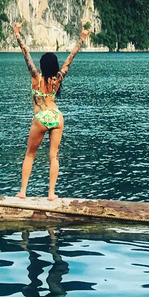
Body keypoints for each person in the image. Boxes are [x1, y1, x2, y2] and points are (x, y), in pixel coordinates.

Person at [13, 20, 91, 201]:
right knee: (54, 156)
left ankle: (23, 192)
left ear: (42, 65)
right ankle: (51, 194)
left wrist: (17, 33)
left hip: (41, 117)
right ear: (55, 66)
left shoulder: (36, 77)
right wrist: (81, 39)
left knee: (30, 154)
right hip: (57, 116)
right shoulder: (57, 79)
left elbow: (26, 54)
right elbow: (70, 59)